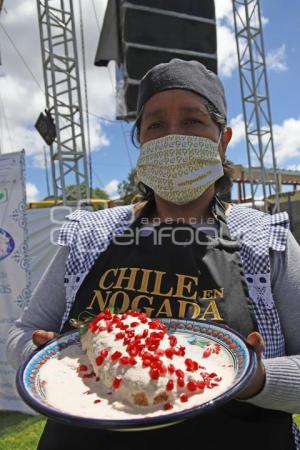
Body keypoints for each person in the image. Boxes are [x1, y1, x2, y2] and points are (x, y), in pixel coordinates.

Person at [6, 59, 300, 450]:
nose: (172, 137)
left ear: (222, 139)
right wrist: (47, 361)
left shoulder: (266, 241)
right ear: (142, 143)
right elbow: (22, 333)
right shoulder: (90, 234)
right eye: (156, 125)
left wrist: (257, 379)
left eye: (193, 121)